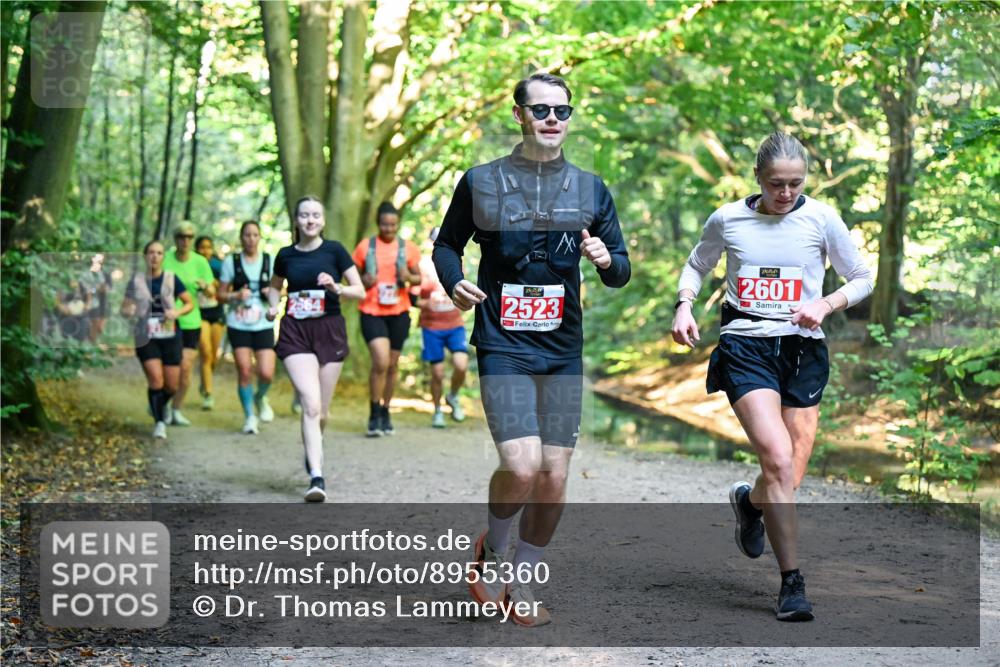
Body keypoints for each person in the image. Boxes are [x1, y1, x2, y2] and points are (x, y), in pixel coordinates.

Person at [433, 72, 630, 627]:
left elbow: (621, 271)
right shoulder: (481, 181)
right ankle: (491, 553)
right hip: (503, 341)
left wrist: (605, 258)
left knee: (554, 473)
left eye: (562, 111)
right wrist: (454, 282)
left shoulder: (591, 189)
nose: (551, 119)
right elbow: (447, 245)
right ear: (518, 114)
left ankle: (522, 577)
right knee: (520, 466)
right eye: (540, 109)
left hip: (562, 348)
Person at [671, 131, 874, 622]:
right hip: (746, 345)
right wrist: (684, 305)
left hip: (803, 350)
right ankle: (791, 584)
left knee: (789, 475)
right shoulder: (728, 218)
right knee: (778, 459)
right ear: (758, 178)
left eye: (795, 184)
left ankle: (750, 504)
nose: (786, 194)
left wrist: (825, 303)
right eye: (776, 184)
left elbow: (863, 277)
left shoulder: (821, 218)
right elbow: (697, 265)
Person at [267, 195, 364, 501]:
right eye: (304, 215)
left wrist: (337, 288)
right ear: (296, 220)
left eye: (316, 216)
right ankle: (317, 477)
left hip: (329, 330)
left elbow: (359, 291)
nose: (310, 220)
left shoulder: (335, 251)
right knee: (310, 403)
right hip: (295, 331)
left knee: (321, 411)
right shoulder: (285, 255)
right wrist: (272, 308)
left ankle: (314, 449)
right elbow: (274, 287)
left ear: (323, 221)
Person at [351, 202, 421, 437]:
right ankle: (373, 411)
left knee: (391, 365)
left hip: (399, 311)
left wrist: (408, 276)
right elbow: (350, 276)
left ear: (397, 223)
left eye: (392, 224)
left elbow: (419, 279)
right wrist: (364, 280)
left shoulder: (408, 248)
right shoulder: (365, 247)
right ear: (378, 223)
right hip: (371, 311)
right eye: (384, 224)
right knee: (380, 361)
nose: (388, 229)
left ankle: (385, 410)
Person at [120, 240, 194, 439]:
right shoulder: (135, 281)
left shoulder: (172, 278)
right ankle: (159, 422)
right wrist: (129, 311)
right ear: (145, 256)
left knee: (171, 385)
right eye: (151, 252)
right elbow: (124, 308)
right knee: (156, 379)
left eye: (159, 253)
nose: (154, 256)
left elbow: (189, 303)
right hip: (146, 335)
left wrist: (176, 312)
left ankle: (158, 403)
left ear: (163, 257)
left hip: (170, 335)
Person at [218, 221, 276, 435]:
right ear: (241, 238)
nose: (251, 239)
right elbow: (220, 295)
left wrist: (271, 293)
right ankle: (250, 416)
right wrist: (235, 295)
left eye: (255, 235)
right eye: (247, 235)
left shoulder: (269, 261)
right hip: (238, 323)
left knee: (267, 373)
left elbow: (282, 292)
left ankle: (260, 397)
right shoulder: (231, 262)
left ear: (260, 237)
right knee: (244, 370)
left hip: (263, 324)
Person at [162, 221, 216, 426]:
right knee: (168, 371)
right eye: (181, 237)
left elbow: (212, 293)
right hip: (166, 321)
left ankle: (175, 409)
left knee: (185, 371)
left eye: (189, 237)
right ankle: (162, 404)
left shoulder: (200, 262)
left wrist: (205, 287)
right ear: (175, 239)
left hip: (191, 322)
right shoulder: (165, 259)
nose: (185, 241)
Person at [417, 226, 468, 428]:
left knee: (461, 365)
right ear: (430, 242)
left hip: (455, 325)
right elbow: (411, 298)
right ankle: (437, 411)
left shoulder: (456, 263)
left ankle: (453, 396)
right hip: (431, 327)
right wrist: (424, 304)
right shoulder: (421, 267)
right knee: (437, 373)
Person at [195, 235, 226, 410]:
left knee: (213, 355)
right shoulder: (193, 265)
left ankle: (204, 381)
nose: (205, 251)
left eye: (208, 247)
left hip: (217, 312)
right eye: (201, 247)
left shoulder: (218, 265)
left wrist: (215, 284)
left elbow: (226, 287)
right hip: (199, 313)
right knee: (205, 352)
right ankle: (208, 392)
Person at [80, 253, 112, 344]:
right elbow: (84, 288)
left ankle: (92, 341)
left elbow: (109, 287)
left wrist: (105, 288)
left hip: (104, 303)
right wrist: (95, 289)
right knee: (93, 324)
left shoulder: (106, 273)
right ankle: (91, 345)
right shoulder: (87, 273)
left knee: (100, 328)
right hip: (91, 303)